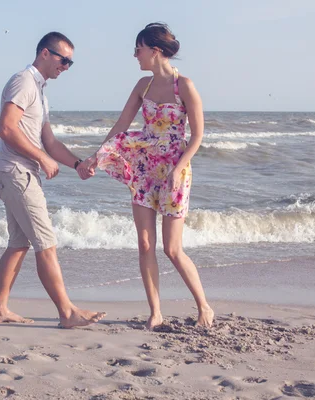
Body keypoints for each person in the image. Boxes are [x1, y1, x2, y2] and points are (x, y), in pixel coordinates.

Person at [78, 23, 214, 329]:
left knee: (172, 248)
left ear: (155, 51)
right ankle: (155, 312)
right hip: (144, 168)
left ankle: (204, 306)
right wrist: (95, 157)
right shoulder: (143, 86)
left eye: (138, 49)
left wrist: (178, 169)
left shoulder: (185, 86)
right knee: (144, 243)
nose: (135, 55)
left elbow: (197, 136)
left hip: (174, 169)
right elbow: (121, 125)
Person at [0, 32, 105, 328]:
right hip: (17, 173)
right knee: (46, 243)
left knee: (18, 243)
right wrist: (40, 158)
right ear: (44, 53)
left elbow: (49, 142)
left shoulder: (39, 90)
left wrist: (76, 164)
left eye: (70, 63)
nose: (66, 66)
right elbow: (6, 128)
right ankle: (67, 312)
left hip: (16, 172)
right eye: (63, 59)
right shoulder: (23, 82)